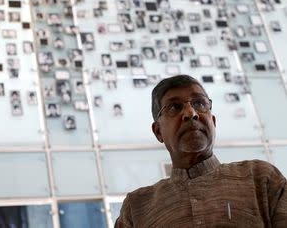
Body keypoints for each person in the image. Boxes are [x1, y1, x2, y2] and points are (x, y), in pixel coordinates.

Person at [115, 75, 287, 227]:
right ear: (158, 131)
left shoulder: (261, 178)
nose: (191, 113)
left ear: (213, 121)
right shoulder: (137, 208)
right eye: (174, 107)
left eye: (199, 103)